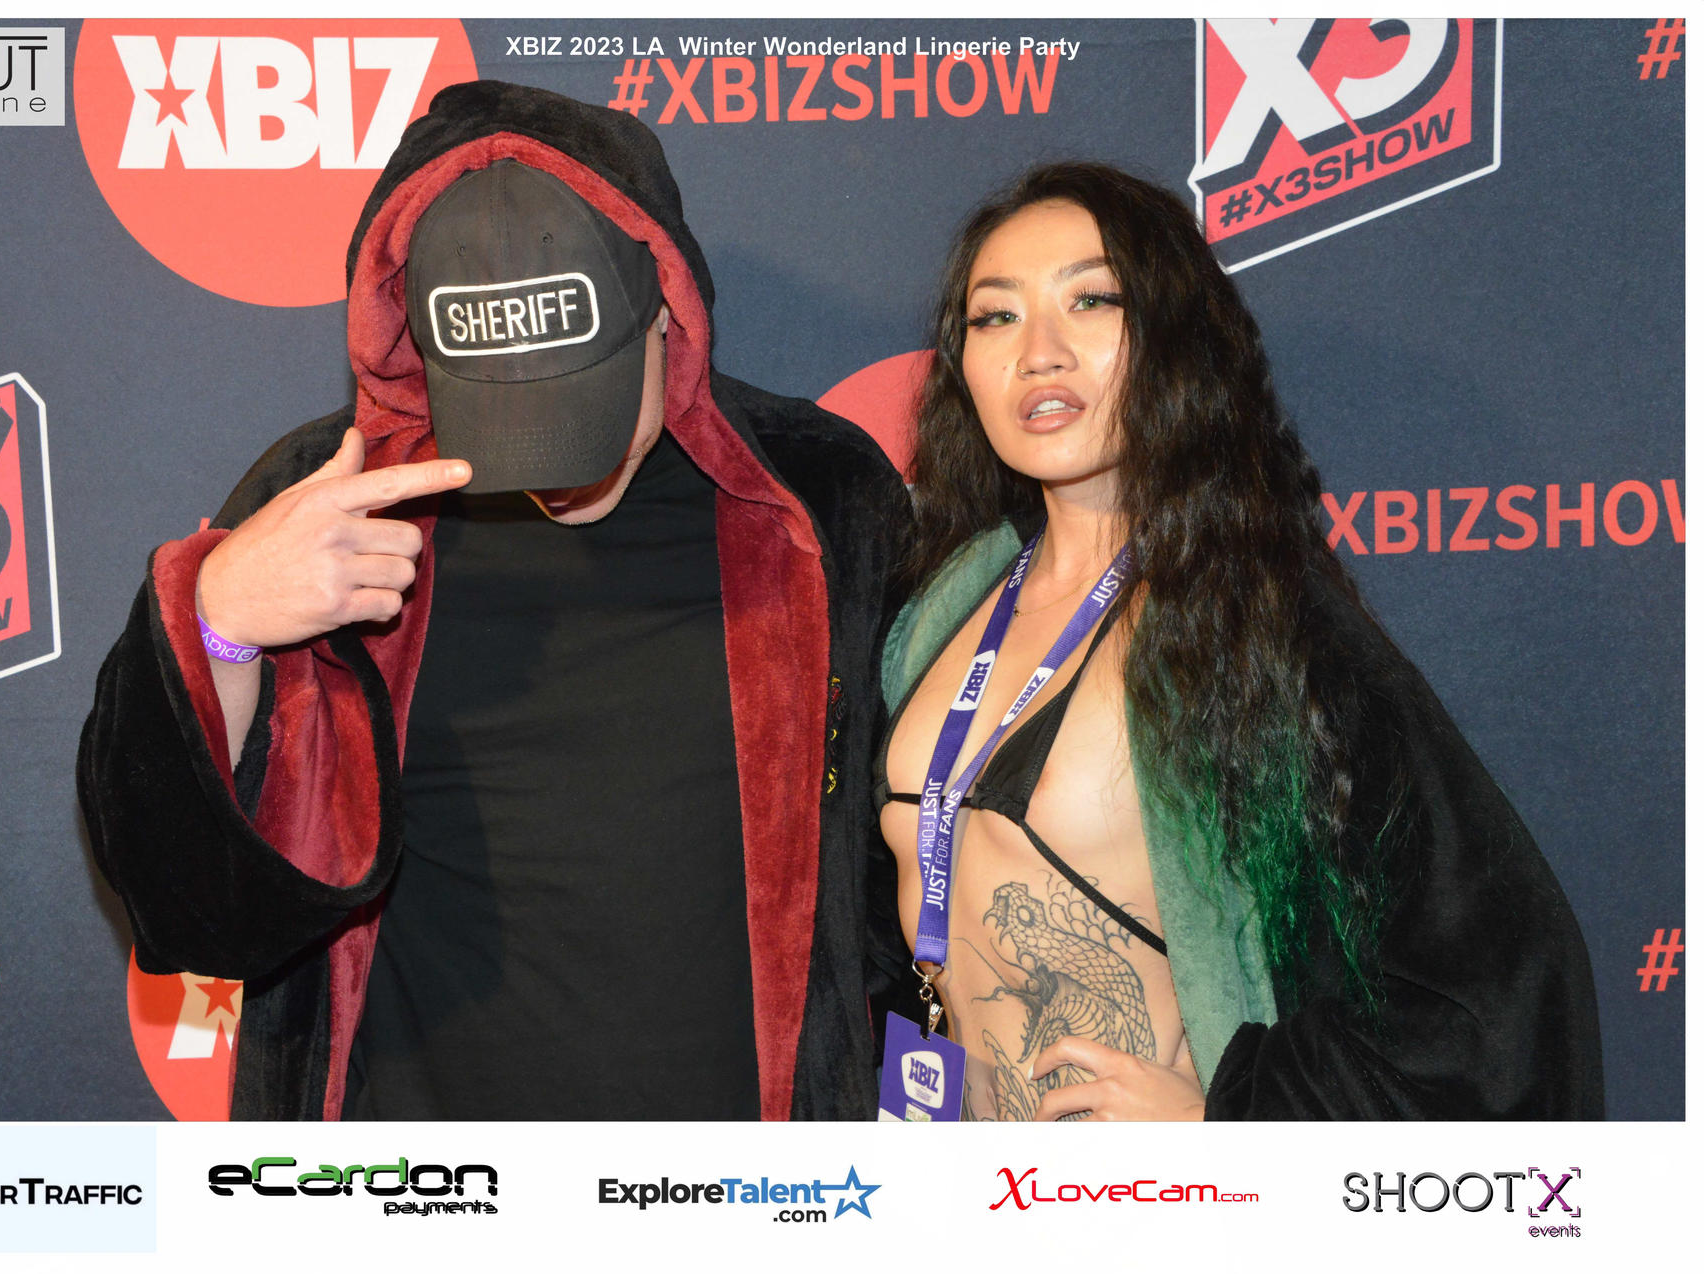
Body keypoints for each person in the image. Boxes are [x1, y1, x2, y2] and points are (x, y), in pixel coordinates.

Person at [78, 80, 906, 1120]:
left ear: (667, 310)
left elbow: (907, 864)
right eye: (501, 410)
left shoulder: (814, 498)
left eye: (579, 403)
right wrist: (218, 621)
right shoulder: (329, 498)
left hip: (739, 1177)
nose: (550, 468)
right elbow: (188, 909)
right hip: (416, 1177)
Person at [874, 162, 1603, 1120]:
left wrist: (1227, 1122)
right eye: (995, 316)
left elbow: (1496, 982)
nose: (1039, 352)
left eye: (1091, 300)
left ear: (1175, 336)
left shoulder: (1251, 619)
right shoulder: (939, 613)